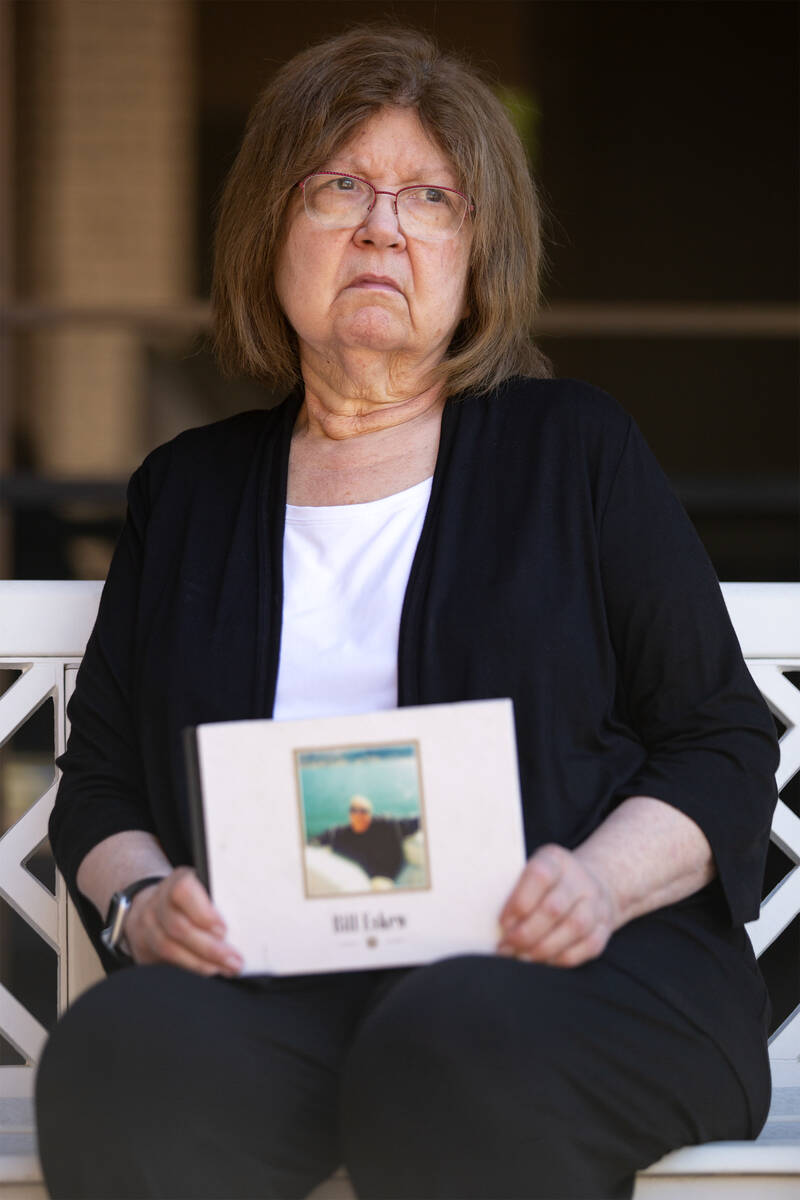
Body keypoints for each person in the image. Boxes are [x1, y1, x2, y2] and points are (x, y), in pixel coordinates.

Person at [35, 25, 778, 1200]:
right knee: (121, 1056)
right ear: (269, 235)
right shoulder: (188, 490)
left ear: (473, 252)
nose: (382, 224)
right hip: (284, 988)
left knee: (450, 1040)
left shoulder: (571, 450)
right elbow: (104, 782)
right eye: (340, 186)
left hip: (576, 972)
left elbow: (720, 742)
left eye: (428, 197)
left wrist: (594, 882)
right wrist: (137, 903)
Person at [313, 795, 420, 881]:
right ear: (349, 814)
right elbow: (316, 841)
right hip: (356, 881)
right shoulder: (338, 834)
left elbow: (415, 822)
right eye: (354, 810)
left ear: (370, 814)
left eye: (363, 811)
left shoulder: (386, 826)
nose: (358, 815)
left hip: (383, 879)